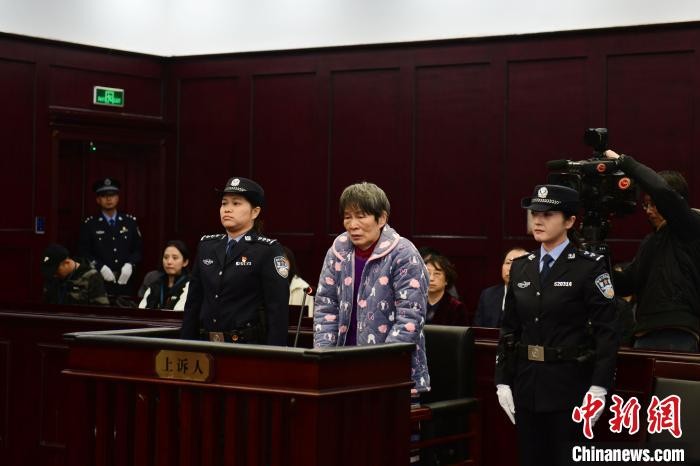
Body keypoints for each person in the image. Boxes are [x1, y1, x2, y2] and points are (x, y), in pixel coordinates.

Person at [494, 184, 619, 466]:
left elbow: (608, 333)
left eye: (548, 214)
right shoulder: (521, 266)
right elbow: (509, 328)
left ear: (570, 221)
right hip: (527, 385)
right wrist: (502, 380)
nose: (538, 220)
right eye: (535, 213)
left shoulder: (589, 267)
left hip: (570, 387)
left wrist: (599, 388)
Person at [314, 181, 431, 396]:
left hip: (393, 377)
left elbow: (410, 317)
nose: (353, 224)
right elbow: (325, 308)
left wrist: (378, 367)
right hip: (341, 371)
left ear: (382, 218)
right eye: (348, 217)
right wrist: (325, 361)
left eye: (361, 216)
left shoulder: (404, 254)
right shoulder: (337, 252)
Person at [605, 149, 700, 352]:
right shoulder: (650, 241)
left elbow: (663, 192)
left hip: (679, 333)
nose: (648, 211)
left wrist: (625, 162)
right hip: (643, 333)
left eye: (654, 204)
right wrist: (600, 261)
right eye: (645, 205)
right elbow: (628, 284)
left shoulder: (690, 226)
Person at [180, 177, 290, 345]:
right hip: (205, 344)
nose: (227, 209)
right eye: (224, 203)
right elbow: (193, 303)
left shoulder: (268, 250)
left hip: (246, 347)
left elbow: (277, 310)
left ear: (255, 212)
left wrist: (274, 355)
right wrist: (184, 346)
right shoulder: (206, 246)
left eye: (236, 203)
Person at [79, 177, 142, 296]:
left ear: (118, 198)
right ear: (98, 200)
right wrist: (100, 267)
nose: (109, 199)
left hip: (125, 280)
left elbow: (138, 250)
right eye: (104, 196)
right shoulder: (90, 224)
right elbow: (84, 252)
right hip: (99, 281)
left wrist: (130, 264)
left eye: (112, 195)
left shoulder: (129, 222)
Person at [473, 247, 528, 327]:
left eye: (518, 264)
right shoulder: (488, 295)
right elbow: (478, 328)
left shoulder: (535, 296)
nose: (510, 268)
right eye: (508, 263)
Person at [41, 243, 109, 306]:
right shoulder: (54, 278)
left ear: (67, 263)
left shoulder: (92, 277)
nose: (54, 275)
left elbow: (101, 309)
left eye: (56, 270)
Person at [138, 240, 191, 311]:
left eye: (175, 258)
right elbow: (141, 311)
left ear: (185, 262)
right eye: (166, 257)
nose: (169, 262)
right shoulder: (155, 283)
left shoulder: (190, 285)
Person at [424, 254, 470, 325]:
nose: (431, 278)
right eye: (428, 273)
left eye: (437, 274)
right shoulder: (413, 303)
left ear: (446, 280)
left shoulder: (456, 307)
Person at [282, 245, 314, 316]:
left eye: (283, 260)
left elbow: (309, 318)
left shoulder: (305, 288)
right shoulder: (266, 286)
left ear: (290, 262)